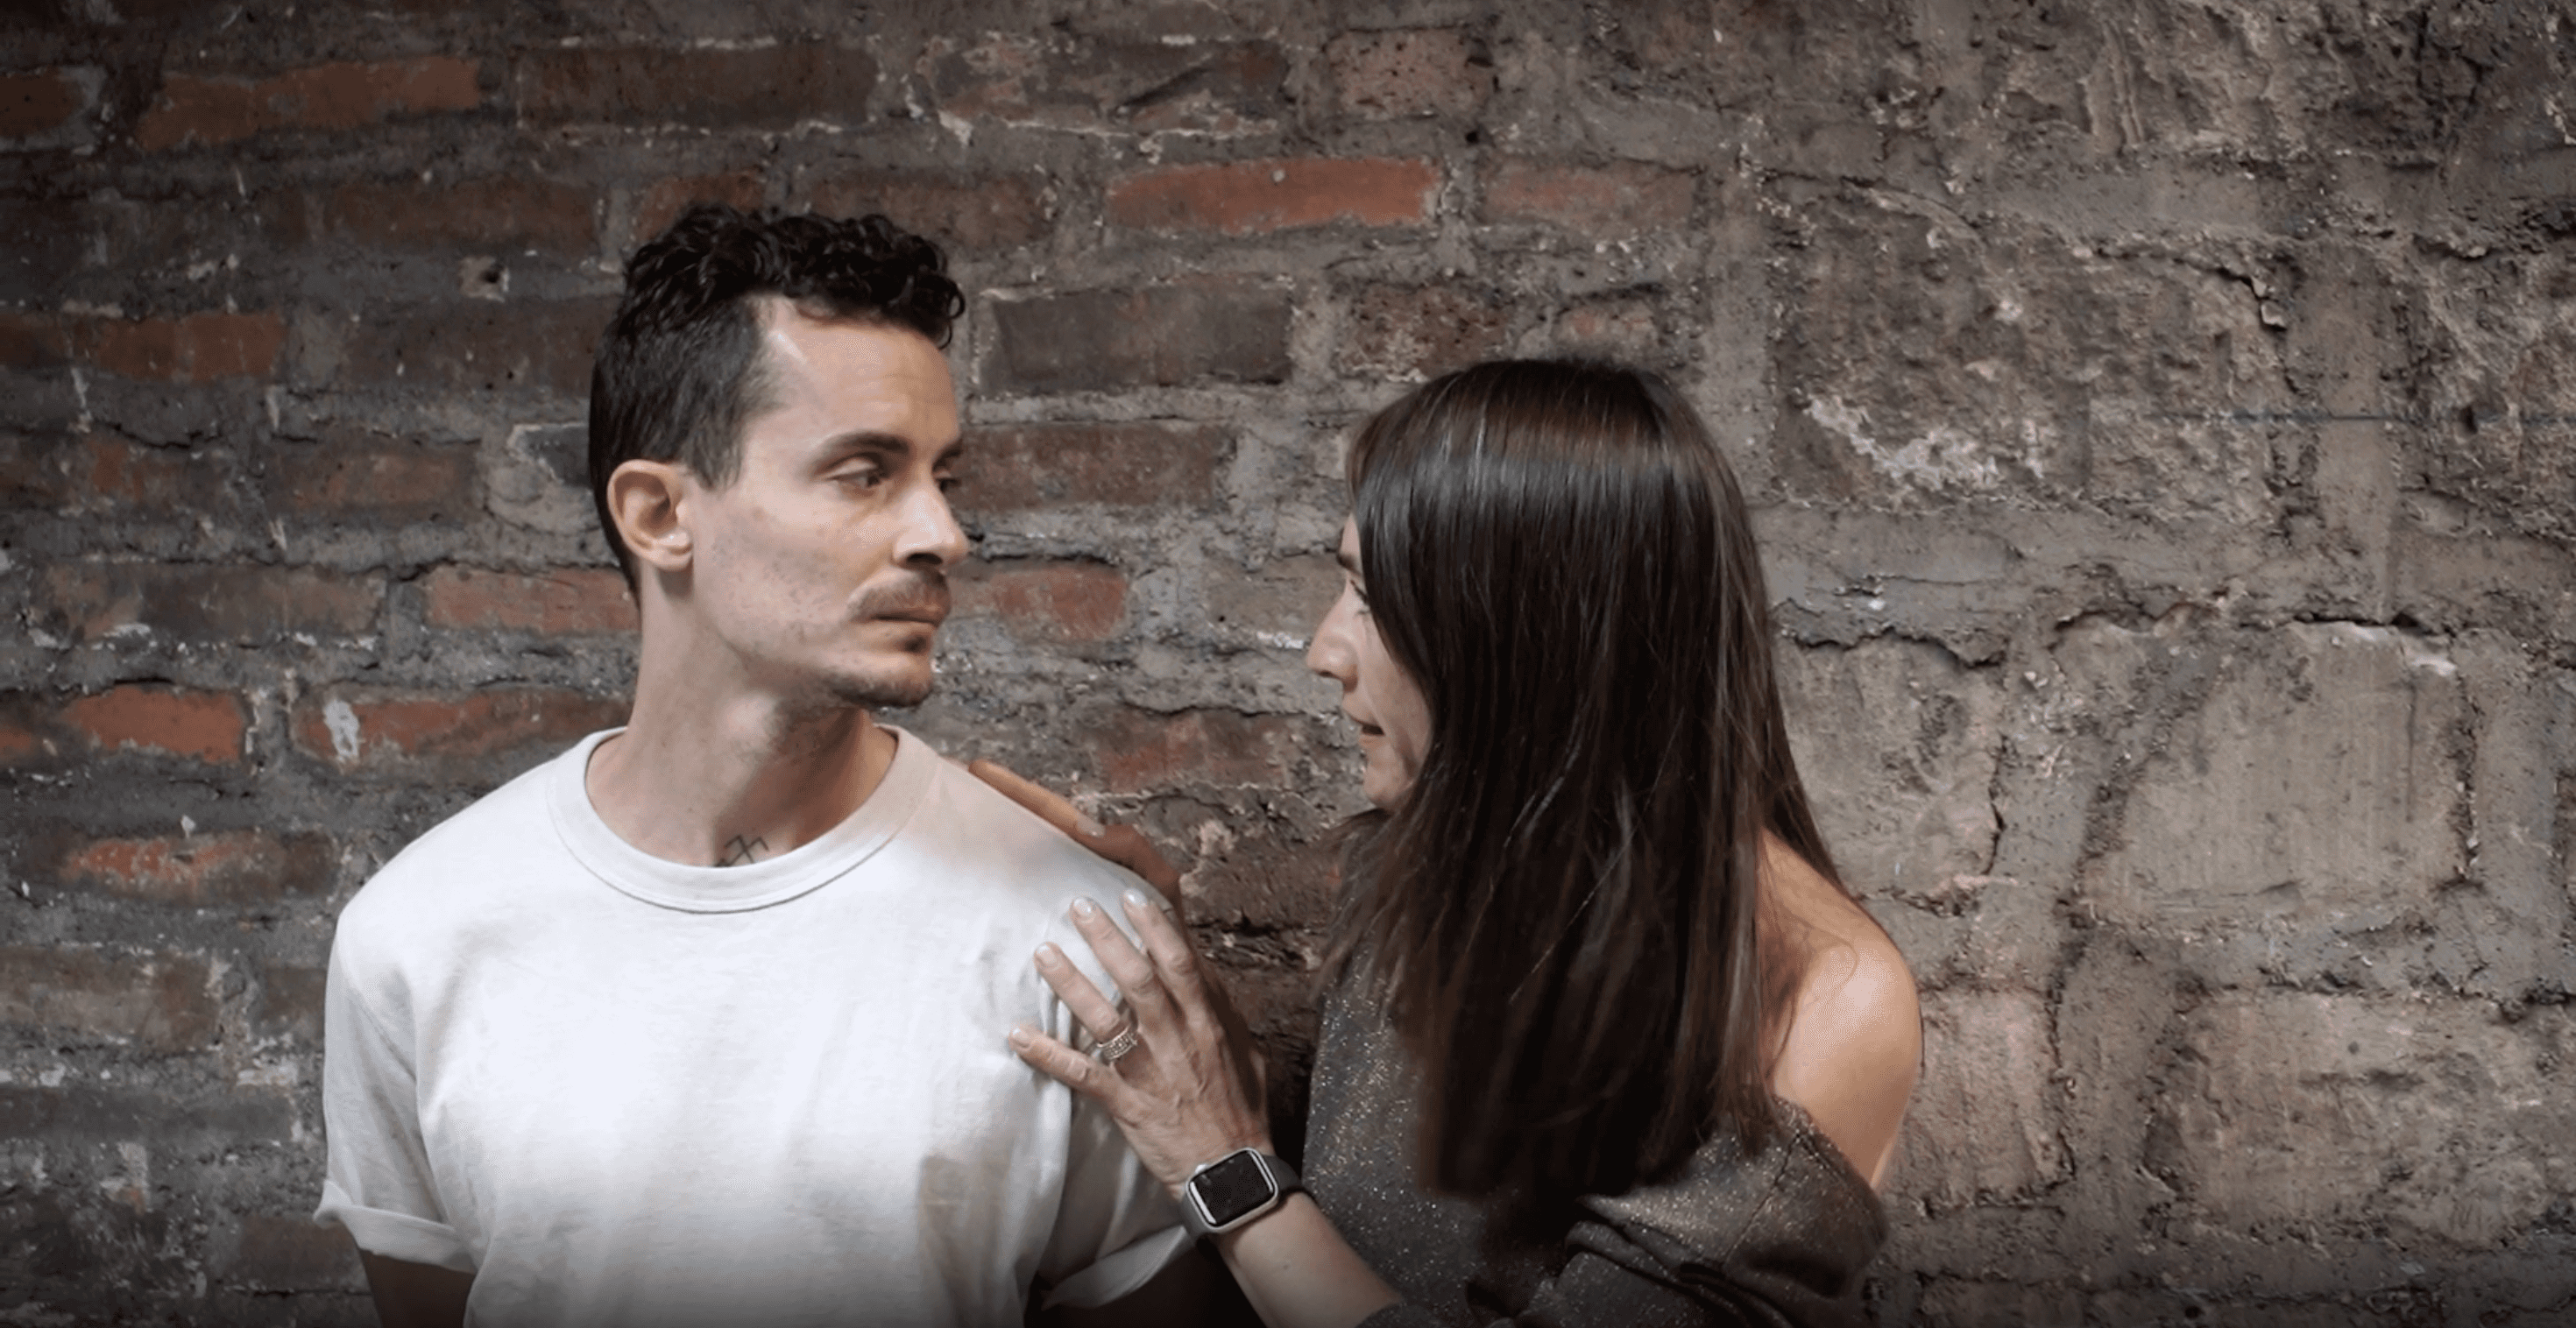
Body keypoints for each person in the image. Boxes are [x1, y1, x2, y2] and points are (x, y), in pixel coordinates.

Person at [312, 204, 1218, 1327]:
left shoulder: (1077, 939)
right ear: (658, 514)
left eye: (945, 476)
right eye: (863, 474)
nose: (943, 533)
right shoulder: (420, 935)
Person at [992, 359, 1922, 1327]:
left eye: (1369, 595)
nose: (1323, 649)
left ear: (1520, 633)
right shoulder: (1427, 858)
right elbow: (1354, 1222)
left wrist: (1222, 1169)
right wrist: (1186, 1007)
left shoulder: (1827, 997)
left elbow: (1276, 1206)